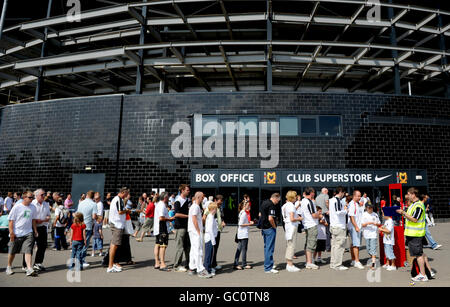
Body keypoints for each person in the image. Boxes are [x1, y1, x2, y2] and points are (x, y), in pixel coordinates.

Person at [396, 187, 435, 282]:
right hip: (413, 234)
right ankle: (428, 271)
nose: (407, 196)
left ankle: (423, 275)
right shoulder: (414, 205)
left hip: (416, 234)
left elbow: (414, 219)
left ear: (413, 194)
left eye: (408, 194)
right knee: (420, 253)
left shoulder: (418, 205)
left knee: (418, 255)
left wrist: (403, 213)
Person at [6, 191, 39, 277]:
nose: (32, 199)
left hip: (28, 232)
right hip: (16, 233)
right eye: (30, 197)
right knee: (12, 252)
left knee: (28, 250)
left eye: (33, 197)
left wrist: (35, 230)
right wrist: (11, 233)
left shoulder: (33, 207)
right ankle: (9, 266)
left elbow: (33, 220)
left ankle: (29, 268)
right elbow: (11, 221)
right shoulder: (17, 207)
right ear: (24, 198)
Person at [26, 189, 50, 272]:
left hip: (43, 227)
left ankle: (38, 263)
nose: (44, 196)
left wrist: (43, 220)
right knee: (30, 246)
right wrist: (36, 220)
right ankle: (25, 265)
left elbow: (48, 216)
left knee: (42, 246)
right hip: (32, 227)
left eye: (44, 194)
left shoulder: (46, 204)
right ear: (36, 196)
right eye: (42, 194)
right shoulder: (32, 204)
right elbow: (29, 217)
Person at [107, 187, 130, 273]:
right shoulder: (119, 199)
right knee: (115, 244)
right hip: (117, 224)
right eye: (126, 194)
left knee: (115, 244)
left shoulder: (116, 199)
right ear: (123, 192)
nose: (127, 195)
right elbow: (120, 211)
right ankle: (110, 266)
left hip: (115, 223)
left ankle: (113, 264)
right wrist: (127, 211)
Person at [188, 191, 211, 278]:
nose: (203, 199)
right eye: (202, 197)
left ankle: (192, 267)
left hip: (193, 231)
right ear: (198, 197)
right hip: (195, 231)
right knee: (198, 249)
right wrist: (198, 230)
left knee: (194, 249)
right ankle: (200, 269)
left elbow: (195, 219)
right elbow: (194, 219)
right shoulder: (196, 207)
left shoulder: (195, 206)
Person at [298, 187, 322, 270]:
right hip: (311, 224)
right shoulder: (309, 202)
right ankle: (309, 262)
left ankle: (308, 261)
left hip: (307, 224)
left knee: (308, 243)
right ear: (311, 193)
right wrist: (320, 216)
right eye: (313, 192)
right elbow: (314, 215)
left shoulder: (303, 201)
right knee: (311, 244)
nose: (314, 194)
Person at [202, 194, 226, 273]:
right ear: (215, 200)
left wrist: (222, 222)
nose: (220, 204)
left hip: (217, 230)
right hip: (211, 232)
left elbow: (220, 217)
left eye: (221, 203)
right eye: (219, 202)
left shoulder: (219, 208)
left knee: (215, 248)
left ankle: (213, 264)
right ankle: (209, 266)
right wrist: (205, 227)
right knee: (210, 249)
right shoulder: (211, 206)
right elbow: (204, 217)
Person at [281, 190, 303, 272]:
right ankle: (290, 264)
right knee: (291, 245)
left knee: (289, 244)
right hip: (292, 226)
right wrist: (299, 218)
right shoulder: (291, 206)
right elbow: (292, 219)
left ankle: (289, 263)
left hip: (288, 226)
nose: (296, 197)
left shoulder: (285, 205)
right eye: (295, 196)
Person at [259, 193, 281, 274]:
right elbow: (270, 218)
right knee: (270, 249)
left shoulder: (264, 203)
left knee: (266, 248)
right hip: (269, 228)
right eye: (278, 201)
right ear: (275, 198)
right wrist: (274, 226)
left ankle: (268, 265)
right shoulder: (271, 205)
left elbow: (260, 214)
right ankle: (268, 267)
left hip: (264, 228)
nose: (277, 202)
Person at [76, 190, 97, 268]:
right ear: (93, 196)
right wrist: (98, 218)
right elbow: (94, 216)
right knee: (85, 243)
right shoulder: (93, 204)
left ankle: (78, 259)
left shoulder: (81, 202)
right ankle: (82, 260)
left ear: (87, 195)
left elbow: (77, 214)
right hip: (87, 225)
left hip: (79, 224)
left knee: (79, 243)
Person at [153, 192, 174, 271]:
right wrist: (170, 219)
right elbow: (161, 218)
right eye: (168, 197)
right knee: (163, 246)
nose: (168, 198)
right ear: (165, 198)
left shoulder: (158, 204)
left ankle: (157, 262)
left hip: (158, 228)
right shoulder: (162, 205)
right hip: (162, 227)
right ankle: (162, 264)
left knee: (157, 244)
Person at [329, 187, 348, 270]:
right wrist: (346, 210)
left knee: (334, 246)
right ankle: (337, 265)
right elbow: (338, 212)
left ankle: (333, 263)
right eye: (343, 193)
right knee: (339, 246)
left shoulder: (331, 200)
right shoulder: (337, 200)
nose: (343, 194)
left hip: (334, 225)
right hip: (339, 226)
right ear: (340, 192)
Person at [173, 184, 191, 272]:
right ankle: (177, 265)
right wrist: (188, 216)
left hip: (187, 226)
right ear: (182, 190)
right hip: (180, 227)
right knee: (179, 247)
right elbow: (176, 214)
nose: (189, 191)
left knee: (188, 247)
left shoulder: (187, 200)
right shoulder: (178, 200)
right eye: (187, 190)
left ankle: (189, 263)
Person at [233, 199, 254, 270]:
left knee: (239, 249)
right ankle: (244, 264)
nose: (249, 207)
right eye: (248, 205)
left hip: (240, 233)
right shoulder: (244, 213)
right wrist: (249, 223)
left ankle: (236, 264)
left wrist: (248, 221)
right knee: (244, 249)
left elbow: (241, 222)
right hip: (243, 234)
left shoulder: (241, 212)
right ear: (244, 206)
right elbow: (241, 224)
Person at [361, 202, 381, 270]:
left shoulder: (375, 214)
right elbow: (362, 224)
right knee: (368, 249)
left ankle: (373, 263)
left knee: (373, 249)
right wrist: (368, 223)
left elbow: (379, 223)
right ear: (366, 208)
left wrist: (376, 224)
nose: (371, 209)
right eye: (369, 207)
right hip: (366, 234)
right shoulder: (364, 215)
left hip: (373, 234)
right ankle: (373, 258)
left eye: (372, 207)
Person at [348, 190, 365, 269]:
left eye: (360, 196)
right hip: (355, 227)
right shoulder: (352, 204)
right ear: (354, 196)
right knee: (356, 245)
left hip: (357, 227)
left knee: (353, 244)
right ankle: (357, 261)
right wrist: (356, 227)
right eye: (358, 196)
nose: (359, 197)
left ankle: (353, 260)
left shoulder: (357, 204)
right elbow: (351, 217)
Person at [204, 202, 218, 276]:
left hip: (210, 237)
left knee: (209, 253)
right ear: (212, 209)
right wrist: (213, 240)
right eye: (215, 208)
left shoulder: (211, 216)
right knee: (208, 254)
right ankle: (207, 269)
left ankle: (208, 267)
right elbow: (209, 229)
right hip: (209, 237)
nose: (216, 210)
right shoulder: (210, 217)